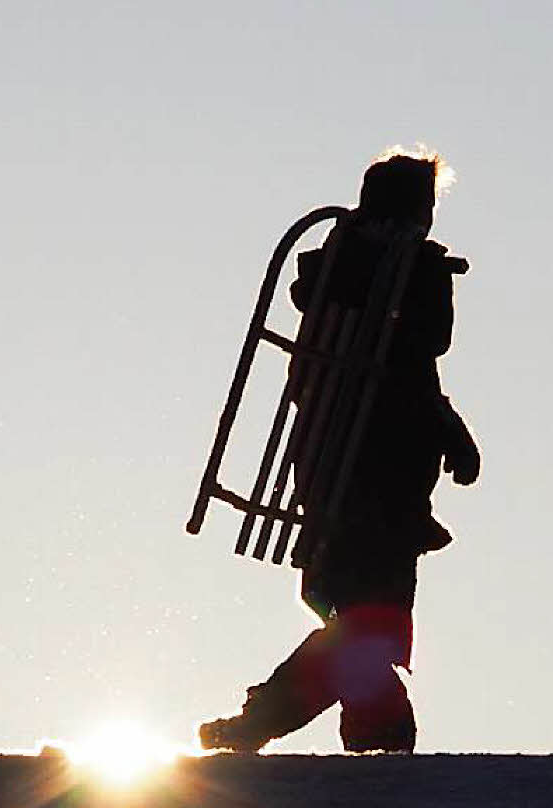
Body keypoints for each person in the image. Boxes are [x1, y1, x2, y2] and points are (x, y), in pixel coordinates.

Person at [200, 151, 480, 754]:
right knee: (368, 617)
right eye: (422, 208)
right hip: (382, 473)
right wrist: (451, 431)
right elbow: (414, 362)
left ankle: (336, 726)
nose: (426, 223)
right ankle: (349, 731)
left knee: (352, 608)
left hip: (324, 464)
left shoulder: (330, 269)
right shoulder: (412, 272)